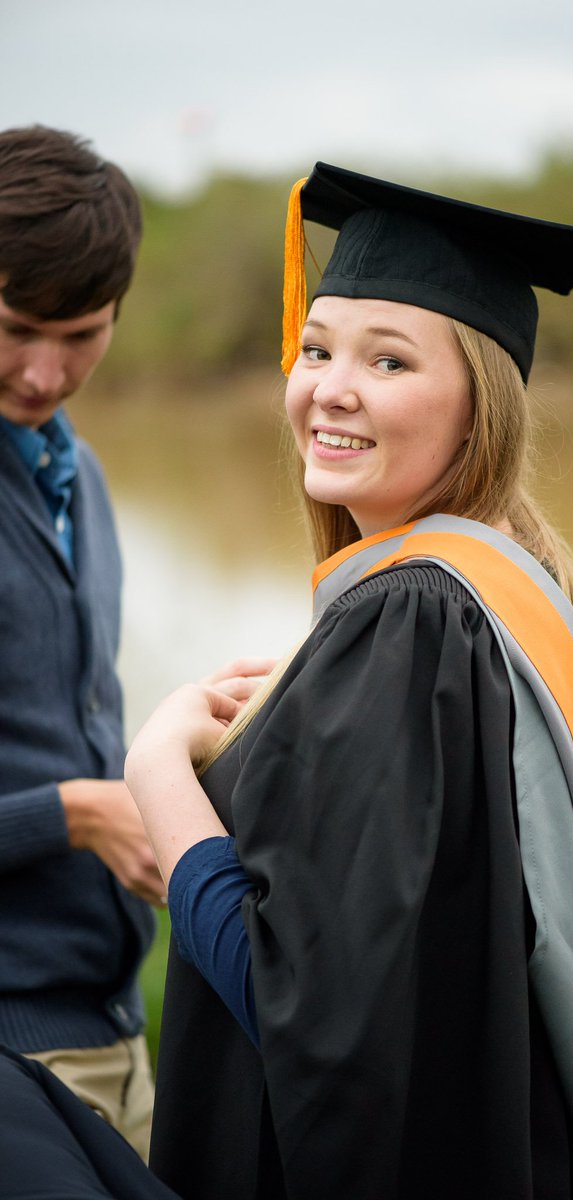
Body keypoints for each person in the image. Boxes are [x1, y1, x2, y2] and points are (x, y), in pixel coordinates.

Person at [125, 163, 573, 1198]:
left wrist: (159, 774)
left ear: (480, 405)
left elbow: (307, 1016)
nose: (330, 386)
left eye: (390, 360)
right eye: (317, 348)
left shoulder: (410, 621)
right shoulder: (506, 583)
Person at [0, 124, 162, 1159]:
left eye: (83, 333)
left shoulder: (81, 479)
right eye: (16, 327)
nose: (45, 374)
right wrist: (71, 816)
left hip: (115, 1027)